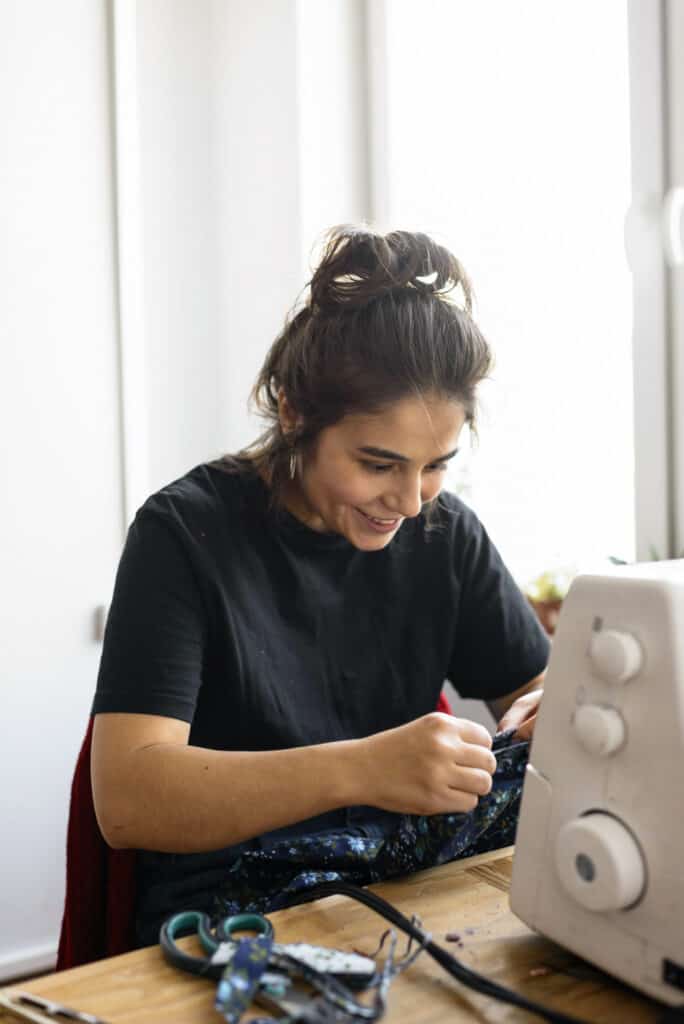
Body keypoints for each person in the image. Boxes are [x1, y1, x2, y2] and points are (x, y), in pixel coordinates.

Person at [90, 225, 549, 946]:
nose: (410, 500)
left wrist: (561, 712)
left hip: (404, 885)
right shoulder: (183, 534)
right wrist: (365, 769)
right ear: (295, 412)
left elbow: (537, 692)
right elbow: (128, 800)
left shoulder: (444, 532)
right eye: (378, 464)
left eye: (435, 464)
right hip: (234, 908)